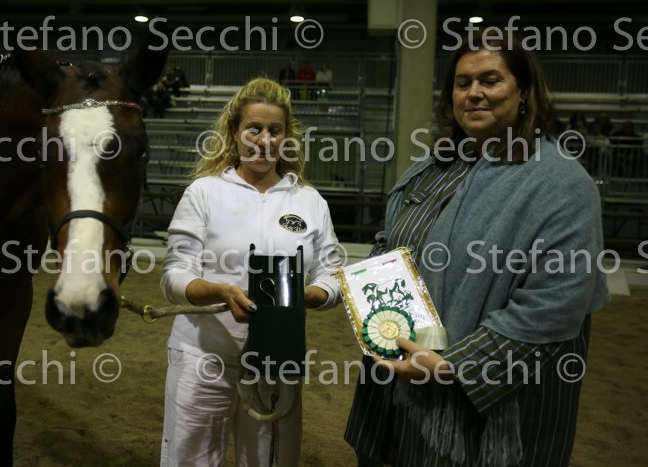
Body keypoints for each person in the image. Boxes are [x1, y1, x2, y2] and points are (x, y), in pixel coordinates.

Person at [344, 32, 609, 467]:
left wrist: (453, 366)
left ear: (524, 92)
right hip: (397, 388)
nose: (474, 93)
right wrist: (373, 295)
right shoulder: (431, 168)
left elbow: (554, 304)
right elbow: (390, 242)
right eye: (462, 83)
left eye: (490, 80)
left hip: (494, 411)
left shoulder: (561, 184)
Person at [160, 78, 342, 466]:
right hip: (202, 354)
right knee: (189, 460)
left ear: (286, 137)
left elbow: (332, 275)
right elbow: (174, 276)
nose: (264, 140)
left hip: (277, 359)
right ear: (234, 132)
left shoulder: (310, 202)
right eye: (254, 129)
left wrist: (306, 296)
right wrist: (220, 291)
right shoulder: (204, 193)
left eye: (275, 130)